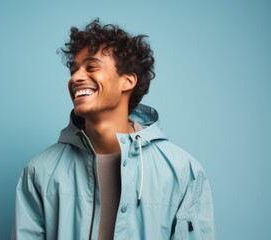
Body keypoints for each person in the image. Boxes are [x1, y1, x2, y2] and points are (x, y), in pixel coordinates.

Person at [12, 19, 215, 240]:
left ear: (127, 81)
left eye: (91, 67)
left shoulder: (183, 172)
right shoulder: (39, 171)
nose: (75, 77)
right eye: (74, 70)